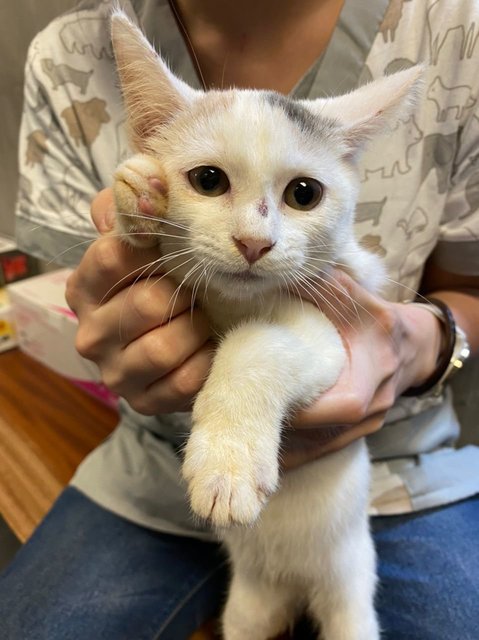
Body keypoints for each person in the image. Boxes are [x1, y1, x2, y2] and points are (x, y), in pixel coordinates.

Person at [1, 0, 479, 638]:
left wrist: (422, 342)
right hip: (160, 462)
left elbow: (318, 335)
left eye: (302, 194)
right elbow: (85, 291)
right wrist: (133, 236)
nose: (257, 237)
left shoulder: (454, 26)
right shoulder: (68, 52)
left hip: (398, 471)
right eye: (207, 179)